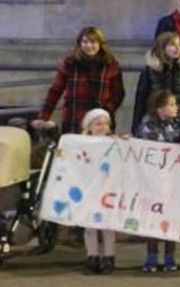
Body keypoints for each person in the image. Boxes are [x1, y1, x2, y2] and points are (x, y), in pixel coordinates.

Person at [134, 90, 180, 272]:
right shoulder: (147, 125)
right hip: (152, 181)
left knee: (171, 218)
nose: (175, 108)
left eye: (175, 104)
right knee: (153, 218)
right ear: (160, 108)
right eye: (171, 104)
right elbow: (146, 148)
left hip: (173, 180)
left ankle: (170, 256)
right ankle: (151, 256)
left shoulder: (178, 124)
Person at [35, 26, 125, 134]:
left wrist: (106, 111)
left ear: (100, 44)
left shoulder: (110, 65)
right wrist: (44, 116)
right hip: (73, 117)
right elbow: (55, 90)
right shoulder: (70, 63)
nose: (89, 46)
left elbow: (118, 94)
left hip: (99, 120)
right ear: (80, 43)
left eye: (93, 42)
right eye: (85, 42)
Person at [132, 32, 180, 136]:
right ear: (162, 48)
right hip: (155, 124)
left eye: (179, 44)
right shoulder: (149, 71)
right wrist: (135, 128)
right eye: (172, 45)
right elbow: (141, 100)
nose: (177, 48)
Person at [80, 108, 116, 275]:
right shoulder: (81, 144)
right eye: (98, 124)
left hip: (107, 190)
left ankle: (109, 257)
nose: (102, 127)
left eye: (106, 123)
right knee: (90, 226)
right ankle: (92, 256)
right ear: (89, 127)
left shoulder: (113, 143)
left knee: (108, 225)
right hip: (89, 190)